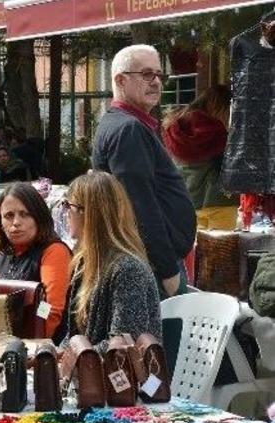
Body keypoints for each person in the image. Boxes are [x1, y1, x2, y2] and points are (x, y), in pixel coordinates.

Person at [92, 44, 196, 298]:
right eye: (147, 74)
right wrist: (167, 270)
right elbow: (139, 206)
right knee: (161, 339)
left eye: (160, 75)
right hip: (152, 267)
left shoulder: (125, 124)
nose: (156, 82)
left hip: (145, 263)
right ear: (120, 80)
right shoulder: (128, 129)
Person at [60, 171, 161, 351]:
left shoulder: (128, 270)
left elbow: (123, 345)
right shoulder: (84, 263)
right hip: (88, 372)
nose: (65, 212)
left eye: (68, 205)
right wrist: (51, 357)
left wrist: (74, 360)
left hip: (127, 378)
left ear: (89, 214)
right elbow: (73, 335)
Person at [0, 183, 71, 341]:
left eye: (24, 214)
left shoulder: (54, 251)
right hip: (0, 345)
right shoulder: (6, 255)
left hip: (39, 350)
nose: (16, 222)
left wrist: (31, 343)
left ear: (38, 217)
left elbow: (49, 308)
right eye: (9, 216)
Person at [163, 85, 237, 230]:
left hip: (185, 202)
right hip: (220, 203)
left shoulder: (175, 129)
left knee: (193, 251)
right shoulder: (217, 133)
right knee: (221, 250)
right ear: (221, 108)